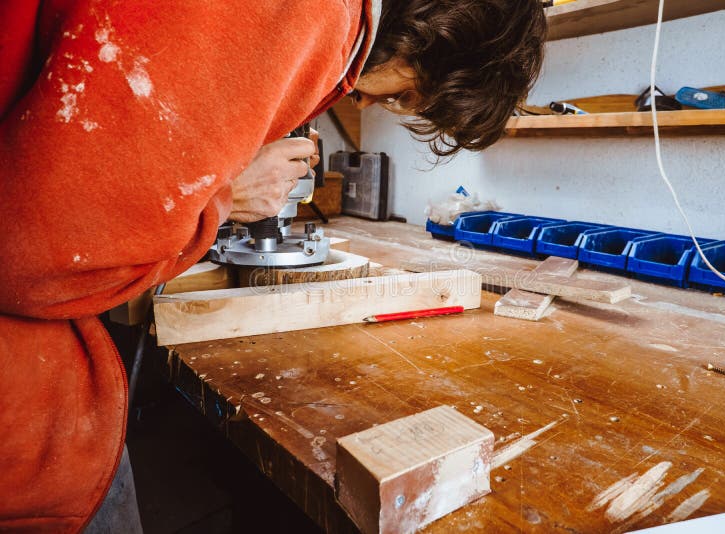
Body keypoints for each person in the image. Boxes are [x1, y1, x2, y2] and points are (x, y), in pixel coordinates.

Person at [0, 0, 545, 531]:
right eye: (404, 95)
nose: (369, 103)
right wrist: (226, 194)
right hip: (23, 401)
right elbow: (39, 251)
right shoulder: (307, 12)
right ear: (434, 45)